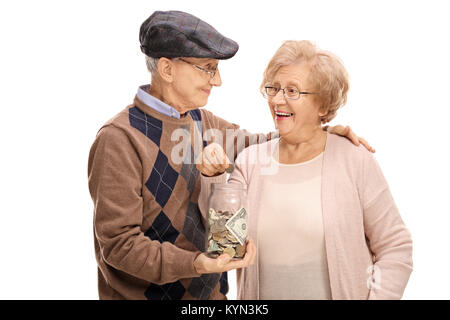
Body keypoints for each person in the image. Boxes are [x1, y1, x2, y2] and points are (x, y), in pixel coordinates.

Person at [88, 10, 373, 300]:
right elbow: (119, 246)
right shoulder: (119, 139)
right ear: (167, 69)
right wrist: (196, 263)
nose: (218, 80)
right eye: (208, 68)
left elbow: (260, 143)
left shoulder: (203, 122)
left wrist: (319, 131)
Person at [198, 40, 412, 300]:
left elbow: (395, 247)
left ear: (322, 105)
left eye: (292, 91)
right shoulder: (250, 161)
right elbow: (224, 245)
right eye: (273, 88)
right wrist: (213, 175)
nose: (277, 100)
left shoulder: (355, 160)